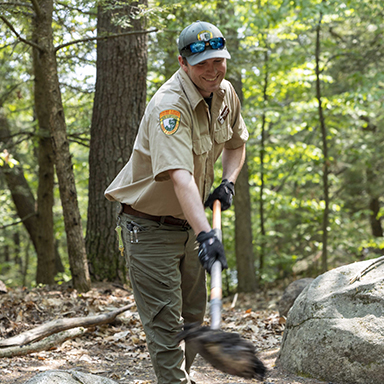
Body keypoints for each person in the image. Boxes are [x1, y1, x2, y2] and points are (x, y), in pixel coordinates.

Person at [105, 20, 248, 384]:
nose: (213, 71)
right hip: (148, 228)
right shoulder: (170, 106)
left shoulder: (225, 92)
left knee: (192, 322)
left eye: (219, 61)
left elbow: (236, 143)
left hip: (190, 221)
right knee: (167, 328)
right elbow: (180, 176)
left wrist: (227, 184)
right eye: (202, 64)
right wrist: (207, 236)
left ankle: (178, 378)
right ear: (183, 63)